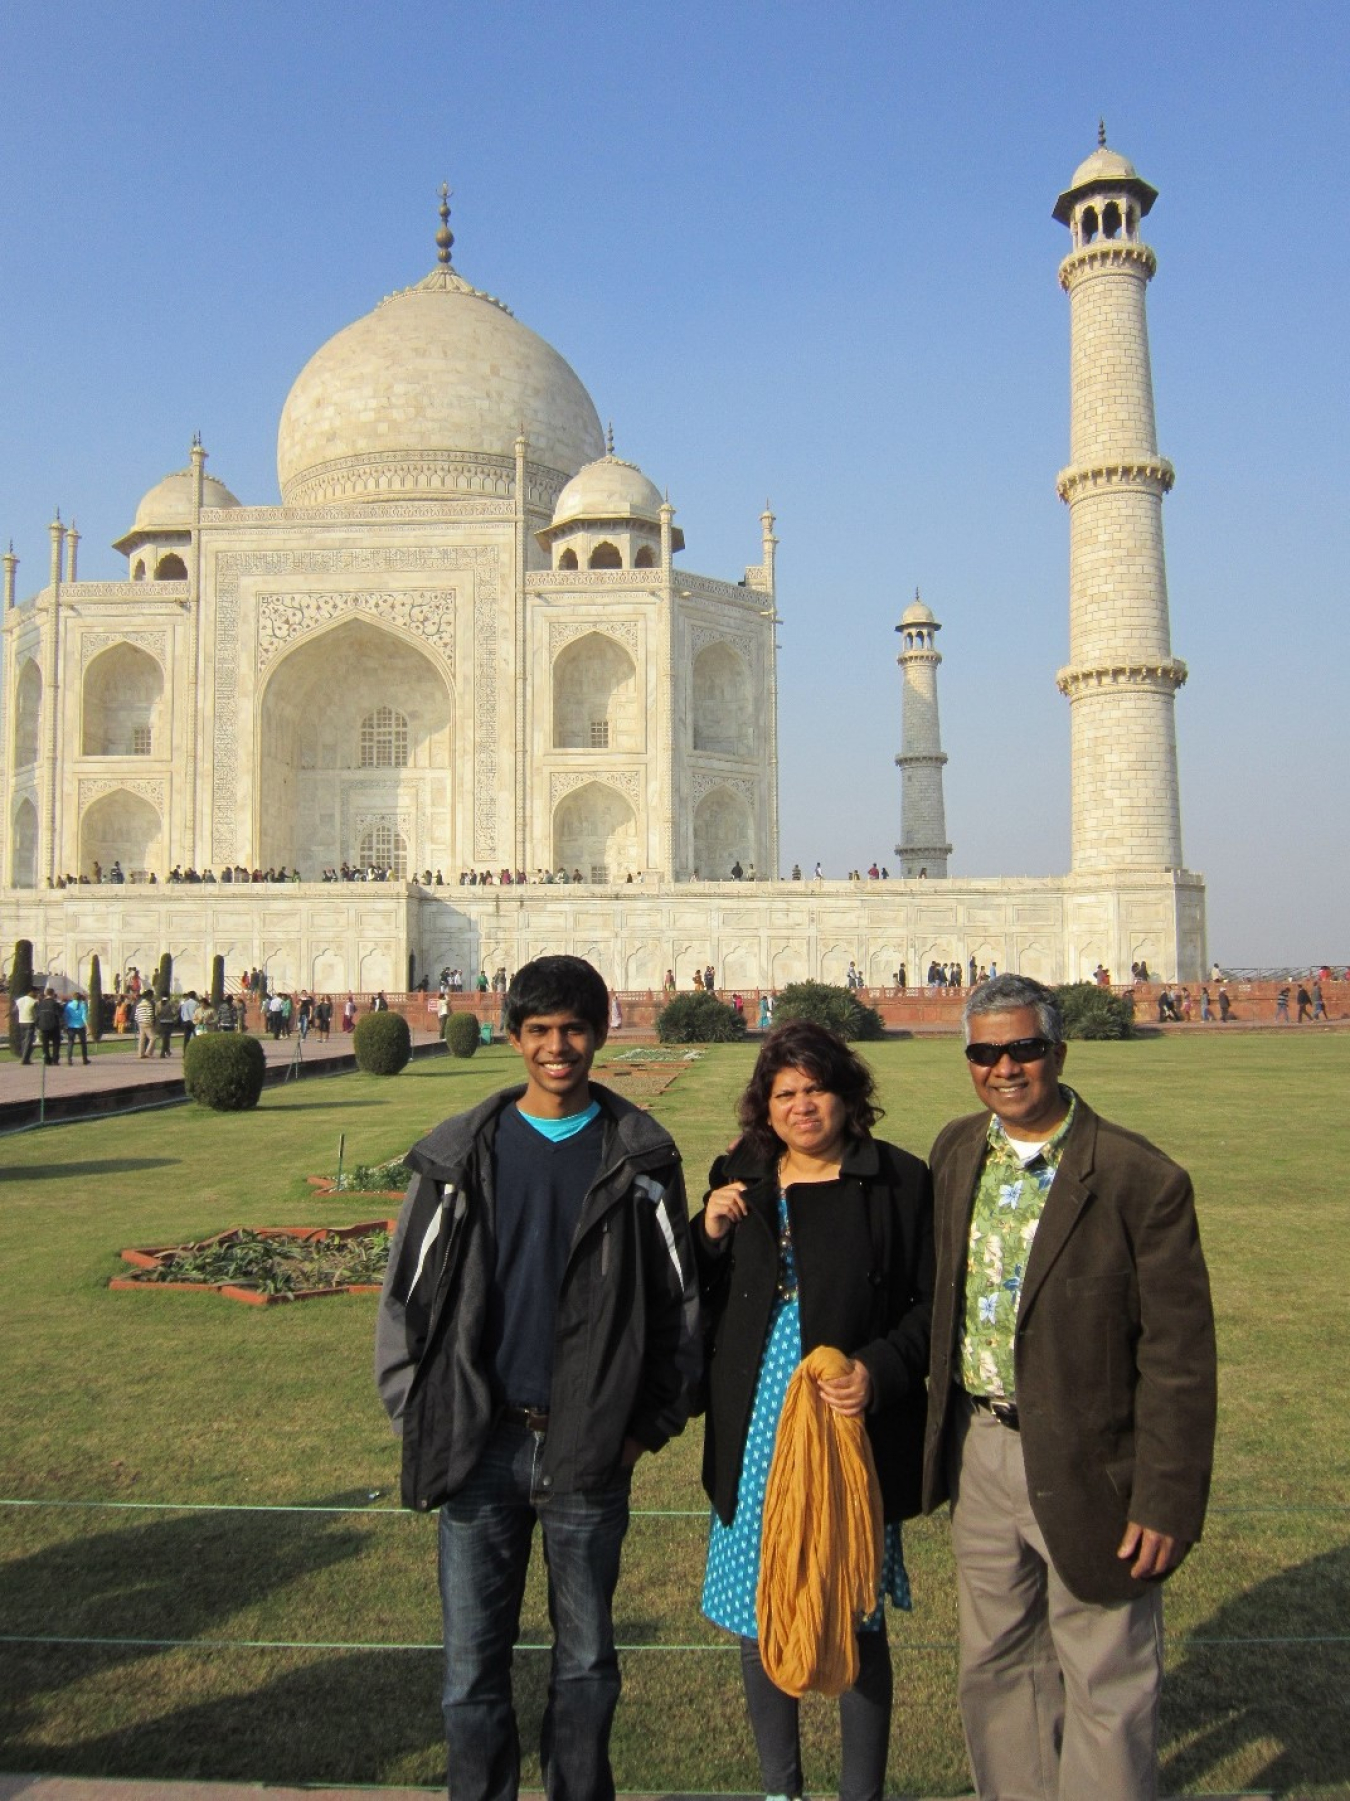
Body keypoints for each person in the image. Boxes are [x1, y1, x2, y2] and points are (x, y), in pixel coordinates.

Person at [375, 955, 700, 1801]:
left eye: (574, 1029)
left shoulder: (640, 1155)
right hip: (481, 1444)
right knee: (470, 1669)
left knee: (587, 1664)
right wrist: (425, 1407)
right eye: (541, 1031)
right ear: (513, 1036)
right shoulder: (461, 1151)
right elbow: (407, 1295)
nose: (558, 1047)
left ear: (601, 1031)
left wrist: (643, 1428)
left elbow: (678, 1306)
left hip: (589, 1446)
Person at [922, 974, 1216, 1801]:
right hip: (980, 1451)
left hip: (1094, 1455)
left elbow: (1180, 1357)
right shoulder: (956, 1151)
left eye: (1023, 1049)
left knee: (1106, 1679)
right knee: (997, 1666)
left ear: (1058, 1051)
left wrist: (1165, 1496)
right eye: (985, 1051)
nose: (1004, 1067)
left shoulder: (1135, 1175)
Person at [694, 1021, 934, 1801]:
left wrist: (879, 1370)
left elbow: (934, 1308)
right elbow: (699, 1295)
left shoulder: (896, 1180)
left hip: (847, 1416)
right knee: (761, 1607)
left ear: (847, 1094)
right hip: (757, 1415)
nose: (802, 1105)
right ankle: (781, 1789)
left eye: (816, 1088)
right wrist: (709, 1232)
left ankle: (860, 1792)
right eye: (784, 1092)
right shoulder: (743, 1174)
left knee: (852, 1607)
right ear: (766, 1106)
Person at [35, 988, 65, 1066]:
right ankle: (55, 1060)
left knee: (45, 1044)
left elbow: (37, 1015)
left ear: (45, 993)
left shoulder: (40, 1003)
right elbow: (60, 1013)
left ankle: (46, 1060)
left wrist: (37, 1024)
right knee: (56, 1043)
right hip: (54, 1025)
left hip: (43, 1025)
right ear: (53, 994)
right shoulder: (55, 1003)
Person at [63, 990, 90, 1065]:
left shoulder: (68, 1005)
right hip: (80, 1026)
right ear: (80, 998)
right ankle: (85, 1059)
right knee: (83, 1043)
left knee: (70, 1043)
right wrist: (88, 1027)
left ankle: (69, 1060)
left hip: (71, 1026)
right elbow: (84, 1017)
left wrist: (66, 1025)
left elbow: (66, 1016)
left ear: (73, 997)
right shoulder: (83, 1005)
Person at [14, 986, 39, 1064]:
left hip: (21, 1021)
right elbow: (36, 1014)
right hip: (30, 1021)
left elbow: (15, 1010)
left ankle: (23, 1056)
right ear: (32, 992)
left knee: (24, 1041)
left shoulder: (19, 1000)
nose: (37, 994)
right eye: (36, 992)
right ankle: (25, 1059)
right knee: (28, 1041)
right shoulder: (34, 1001)